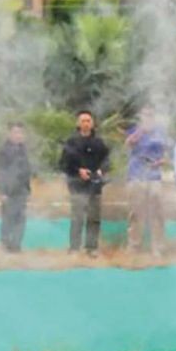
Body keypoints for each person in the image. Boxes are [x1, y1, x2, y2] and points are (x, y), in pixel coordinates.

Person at [59, 110, 110, 256]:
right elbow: (63, 164)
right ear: (78, 123)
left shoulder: (99, 142)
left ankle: (91, 248)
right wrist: (78, 171)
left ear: (93, 123)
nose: (86, 123)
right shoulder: (71, 142)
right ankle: (74, 248)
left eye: (88, 120)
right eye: (83, 121)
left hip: (95, 186)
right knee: (77, 218)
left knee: (94, 218)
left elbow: (107, 161)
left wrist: (101, 170)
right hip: (77, 186)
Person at [124, 106, 169, 255]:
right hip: (136, 174)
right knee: (136, 212)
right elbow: (128, 144)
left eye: (151, 115)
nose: (148, 117)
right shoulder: (134, 130)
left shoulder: (161, 132)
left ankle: (158, 248)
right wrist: (141, 131)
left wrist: (162, 161)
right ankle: (134, 246)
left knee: (157, 212)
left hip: (154, 175)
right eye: (145, 115)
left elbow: (167, 152)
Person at [0, 121, 33, 252]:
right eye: (15, 132)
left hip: (22, 191)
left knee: (20, 219)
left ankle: (16, 246)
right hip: (8, 192)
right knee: (8, 219)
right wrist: (1, 192)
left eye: (21, 132)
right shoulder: (3, 151)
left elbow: (26, 170)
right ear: (9, 134)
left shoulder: (24, 150)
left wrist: (28, 189)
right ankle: (5, 245)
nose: (18, 135)